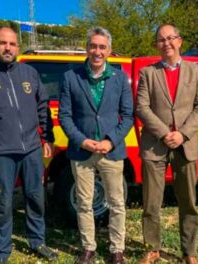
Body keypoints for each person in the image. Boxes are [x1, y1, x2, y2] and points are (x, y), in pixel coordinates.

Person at [0, 26, 58, 264]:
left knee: (36, 198)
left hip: (32, 151)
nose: (8, 48)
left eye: (12, 44)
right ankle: (2, 253)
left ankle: (38, 242)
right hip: (0, 154)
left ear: (18, 47)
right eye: (3, 43)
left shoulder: (29, 73)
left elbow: (42, 107)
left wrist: (47, 138)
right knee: (2, 203)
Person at [58, 27, 134, 264]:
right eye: (93, 46)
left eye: (102, 47)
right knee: (84, 202)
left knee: (117, 203)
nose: (97, 51)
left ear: (109, 50)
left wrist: (111, 140)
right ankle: (88, 247)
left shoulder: (120, 78)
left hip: (111, 151)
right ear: (87, 48)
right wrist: (83, 141)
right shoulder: (71, 77)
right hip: (82, 151)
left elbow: (128, 115)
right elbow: (65, 116)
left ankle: (116, 249)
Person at [136, 23, 198, 264]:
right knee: (151, 202)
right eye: (161, 39)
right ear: (157, 45)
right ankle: (152, 248)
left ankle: (189, 251)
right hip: (155, 144)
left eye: (170, 38)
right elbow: (142, 107)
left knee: (188, 201)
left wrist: (183, 133)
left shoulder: (196, 71)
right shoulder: (148, 73)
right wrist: (165, 132)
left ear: (180, 41)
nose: (166, 43)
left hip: (185, 145)